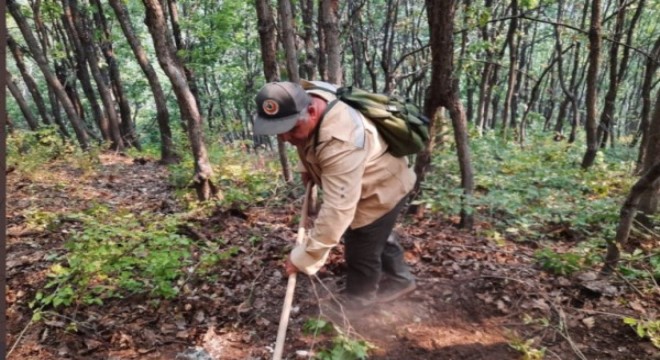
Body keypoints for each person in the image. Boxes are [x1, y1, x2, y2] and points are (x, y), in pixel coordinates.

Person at [253, 80, 416, 308]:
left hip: (382, 186)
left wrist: (303, 258)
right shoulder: (308, 97)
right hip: (362, 178)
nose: (284, 138)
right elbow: (308, 139)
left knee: (360, 247)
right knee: (377, 234)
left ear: (311, 111)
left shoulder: (342, 139)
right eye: (279, 131)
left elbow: (337, 210)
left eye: (290, 130)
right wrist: (307, 168)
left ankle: (358, 304)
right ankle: (401, 279)